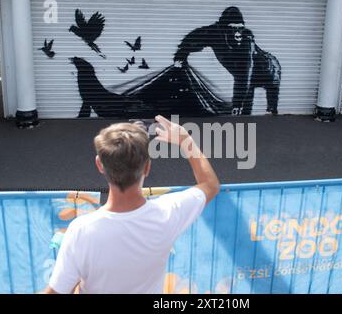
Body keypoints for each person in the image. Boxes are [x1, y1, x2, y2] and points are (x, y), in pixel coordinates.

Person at [43, 115, 220, 294]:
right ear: (147, 167)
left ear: (99, 165)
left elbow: (56, 292)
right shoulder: (168, 213)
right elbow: (210, 184)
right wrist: (185, 139)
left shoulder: (81, 231)